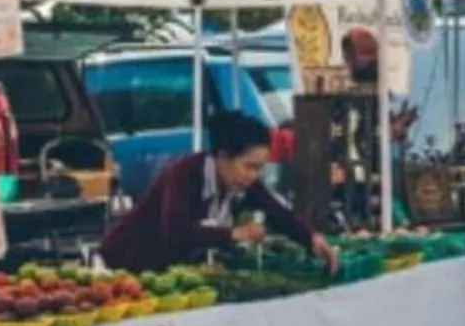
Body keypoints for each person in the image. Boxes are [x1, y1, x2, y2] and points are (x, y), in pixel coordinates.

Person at [100, 109, 341, 276]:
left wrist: (311, 239)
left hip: (169, 269)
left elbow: (277, 212)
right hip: (131, 258)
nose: (254, 175)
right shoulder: (184, 174)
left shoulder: (244, 183)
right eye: (249, 166)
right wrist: (234, 234)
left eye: (260, 168)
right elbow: (176, 233)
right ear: (223, 157)